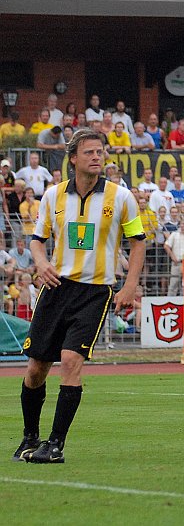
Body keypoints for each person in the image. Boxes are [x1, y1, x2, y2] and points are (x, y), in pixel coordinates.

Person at [12, 128, 145, 464]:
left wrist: (130, 285)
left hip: (95, 292)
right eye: (89, 152)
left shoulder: (121, 197)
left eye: (100, 151)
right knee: (36, 368)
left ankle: (56, 444)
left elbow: (138, 242)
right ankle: (30, 436)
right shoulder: (53, 195)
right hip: (56, 288)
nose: (97, 157)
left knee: (71, 361)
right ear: (73, 159)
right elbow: (37, 240)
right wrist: (41, 263)